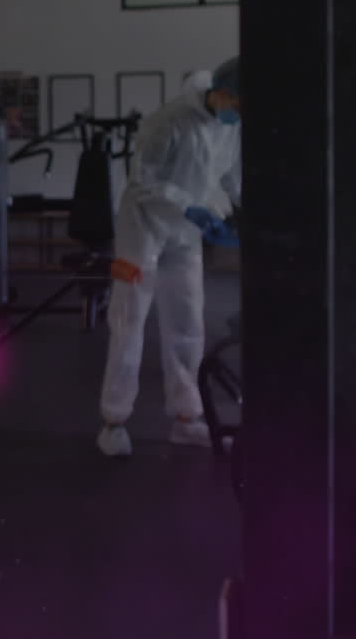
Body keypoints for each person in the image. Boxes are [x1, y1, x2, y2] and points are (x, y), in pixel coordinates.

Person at [97, 57, 243, 457]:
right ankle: (114, 421)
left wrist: (239, 210)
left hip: (185, 234)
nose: (240, 114)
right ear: (224, 92)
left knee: (187, 323)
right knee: (129, 322)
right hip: (142, 229)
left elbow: (232, 176)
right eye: (240, 104)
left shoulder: (231, 126)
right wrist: (189, 206)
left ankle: (186, 417)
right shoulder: (169, 121)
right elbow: (143, 180)